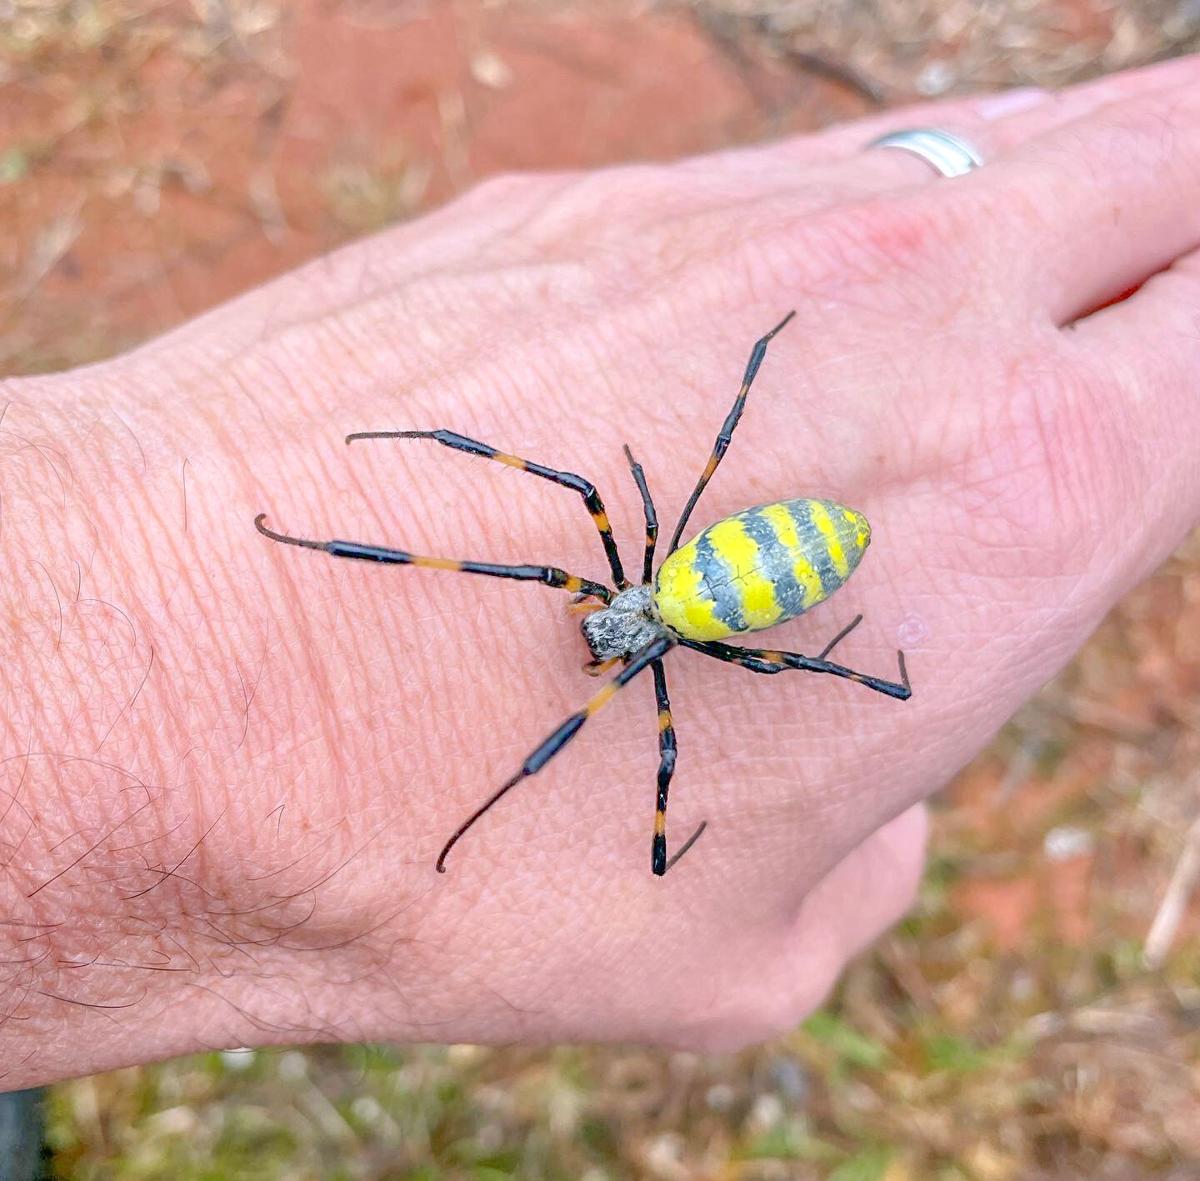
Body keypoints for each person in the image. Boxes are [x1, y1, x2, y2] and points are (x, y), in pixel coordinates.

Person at [1, 55, 1197, 1092]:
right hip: (730, 575)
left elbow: (566, 545)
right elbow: (557, 523)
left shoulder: (643, 612)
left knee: (581, 574)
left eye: (613, 625)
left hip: (756, 569)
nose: (603, 632)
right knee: (581, 555)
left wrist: (700, 765)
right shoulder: (643, 599)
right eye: (614, 623)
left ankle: (491, 762)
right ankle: (356, 558)